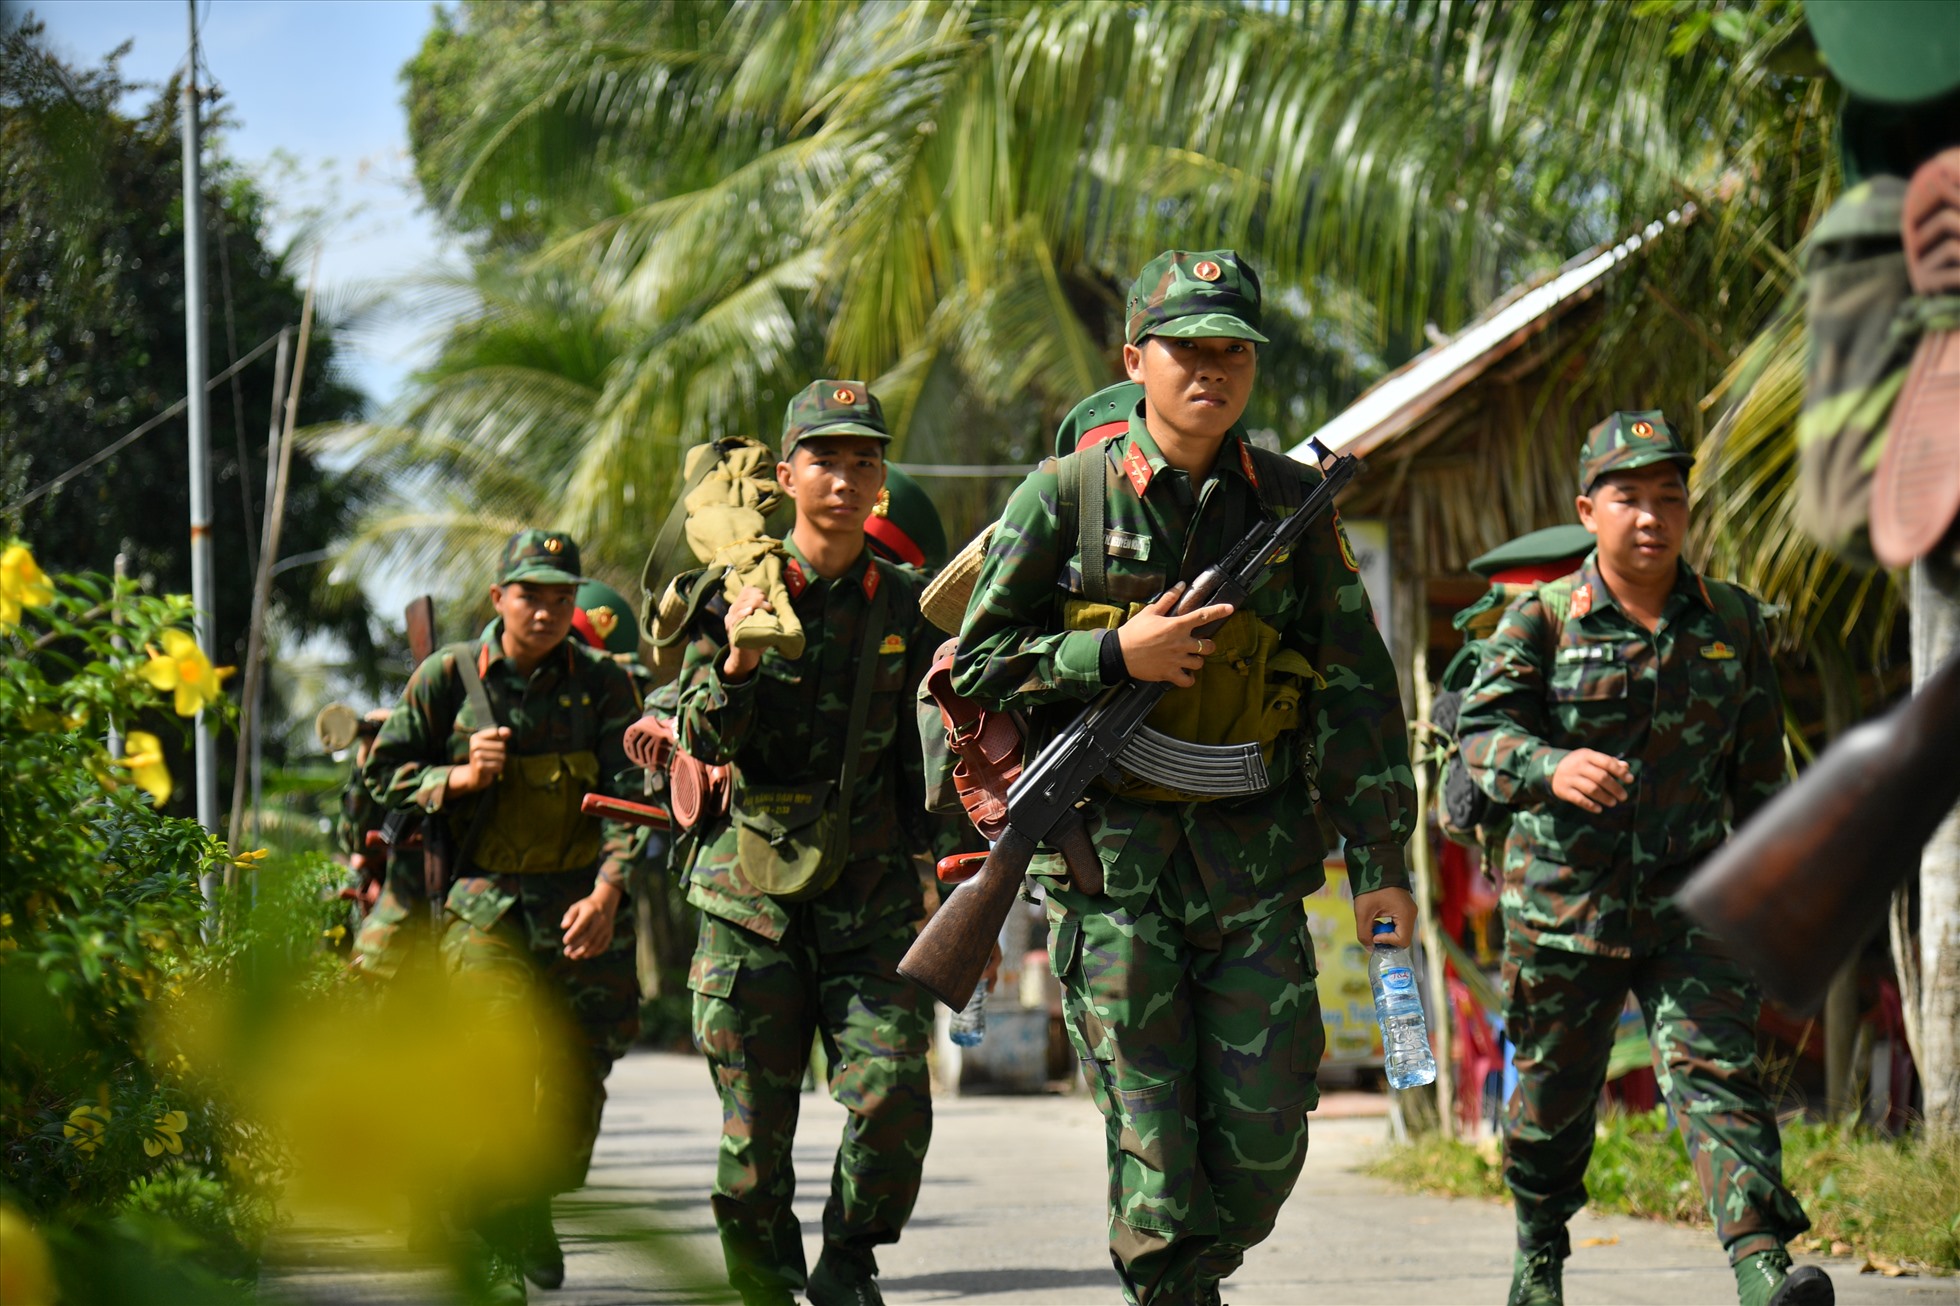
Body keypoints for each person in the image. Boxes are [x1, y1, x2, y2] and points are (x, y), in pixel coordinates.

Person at [950, 249, 1417, 1306]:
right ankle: (1169, 1286)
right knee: (1156, 1159)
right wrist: (1115, 655)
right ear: (1135, 359)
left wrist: (1380, 862)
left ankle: (1186, 1282)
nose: (1211, 367)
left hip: (1253, 866)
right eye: (1187, 347)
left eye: (1233, 350)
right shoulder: (1061, 494)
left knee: (1260, 1149)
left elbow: (1354, 692)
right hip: (1111, 873)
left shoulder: (1293, 509)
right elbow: (972, 666)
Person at [1455, 413, 1831, 1306]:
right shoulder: (1540, 621)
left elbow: (1759, 775)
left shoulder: (1732, 620)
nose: (1652, 517)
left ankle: (1761, 1268)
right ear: (1590, 510)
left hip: (1690, 903)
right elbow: (1481, 734)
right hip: (1563, 908)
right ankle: (1539, 1253)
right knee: (1550, 1103)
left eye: (1670, 498)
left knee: (1718, 1079)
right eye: (1629, 498)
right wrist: (1552, 765)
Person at [672, 380, 955, 1306]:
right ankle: (759, 1282)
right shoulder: (734, 591)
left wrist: (955, 871)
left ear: (881, 481)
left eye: (863, 460)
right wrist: (740, 657)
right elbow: (702, 741)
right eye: (825, 460)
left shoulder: (912, 607)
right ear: (787, 475)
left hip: (869, 897)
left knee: (892, 1096)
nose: (845, 477)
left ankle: (848, 1262)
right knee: (754, 1140)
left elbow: (938, 751)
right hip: (746, 899)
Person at [364, 529, 642, 1304]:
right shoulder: (447, 677)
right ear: (499, 598)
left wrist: (610, 891)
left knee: (577, 1085)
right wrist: (453, 778)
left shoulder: (605, 684)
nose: (547, 610)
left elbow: (634, 796)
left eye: (562, 596)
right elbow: (380, 774)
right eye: (531, 594)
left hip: (581, 910)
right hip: (483, 908)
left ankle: (528, 1202)